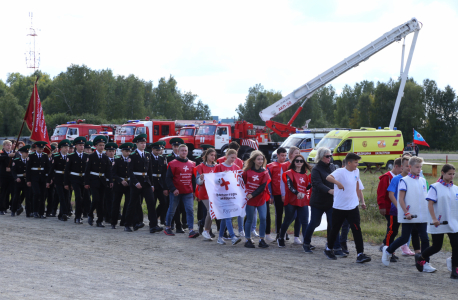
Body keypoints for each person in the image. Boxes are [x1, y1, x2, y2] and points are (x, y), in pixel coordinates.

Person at [382, 157, 433, 270]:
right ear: (410, 167)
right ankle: (388, 251)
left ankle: (425, 263)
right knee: (404, 238)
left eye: (420, 167)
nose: (419, 169)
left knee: (425, 239)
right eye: (416, 167)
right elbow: (400, 199)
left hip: (422, 216)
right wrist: (406, 212)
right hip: (409, 215)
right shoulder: (403, 181)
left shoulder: (423, 180)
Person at [325, 152, 371, 263]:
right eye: (355, 162)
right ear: (349, 163)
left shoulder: (356, 171)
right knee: (335, 229)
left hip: (352, 207)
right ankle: (328, 249)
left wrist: (359, 199)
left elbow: (357, 185)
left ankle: (360, 254)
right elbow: (328, 177)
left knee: (356, 229)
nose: (357, 165)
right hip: (340, 207)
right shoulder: (340, 172)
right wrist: (338, 183)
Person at [415, 164, 458, 278]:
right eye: (449, 174)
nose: (452, 176)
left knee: (456, 245)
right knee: (437, 247)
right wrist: (434, 218)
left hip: (453, 221)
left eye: (453, 174)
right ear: (443, 173)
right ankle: (421, 257)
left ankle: (455, 271)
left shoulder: (456, 189)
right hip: (439, 221)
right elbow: (430, 204)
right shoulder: (435, 187)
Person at [303, 147, 344, 256]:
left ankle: (336, 247)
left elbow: (336, 179)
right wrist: (329, 190)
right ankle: (306, 243)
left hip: (331, 202)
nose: (329, 158)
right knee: (314, 223)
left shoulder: (332, 167)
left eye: (330, 156)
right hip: (318, 202)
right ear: (321, 157)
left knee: (333, 224)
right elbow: (317, 183)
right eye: (327, 156)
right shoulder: (315, 169)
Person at [124, 134, 163, 234]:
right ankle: (127, 224)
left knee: (151, 203)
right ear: (137, 144)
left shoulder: (147, 155)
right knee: (132, 203)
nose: (143, 145)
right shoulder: (132, 156)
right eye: (141, 143)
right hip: (136, 182)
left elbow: (149, 171)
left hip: (146, 181)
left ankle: (153, 225)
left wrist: (152, 184)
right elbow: (130, 171)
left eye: (144, 143)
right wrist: (135, 182)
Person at [163, 144, 199, 238]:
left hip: (188, 192)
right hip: (176, 192)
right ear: (178, 151)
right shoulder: (172, 163)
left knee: (190, 210)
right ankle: (168, 227)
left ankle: (191, 230)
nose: (184, 152)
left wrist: (195, 191)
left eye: (185, 150)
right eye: (182, 150)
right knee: (172, 210)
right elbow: (168, 178)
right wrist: (173, 189)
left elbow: (193, 178)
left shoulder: (192, 164)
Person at [277, 154, 312, 247]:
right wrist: (297, 193)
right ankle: (281, 237)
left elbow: (306, 187)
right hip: (291, 200)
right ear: (294, 162)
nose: (299, 162)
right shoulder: (289, 173)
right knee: (288, 220)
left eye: (301, 161)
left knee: (305, 221)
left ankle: (306, 242)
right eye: (297, 161)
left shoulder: (305, 175)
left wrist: (313, 184)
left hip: (302, 200)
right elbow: (289, 186)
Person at [213, 149, 243, 245]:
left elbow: (238, 181)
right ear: (227, 156)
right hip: (222, 195)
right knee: (228, 215)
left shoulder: (236, 167)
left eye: (235, 158)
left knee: (226, 216)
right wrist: (222, 177)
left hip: (232, 195)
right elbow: (214, 180)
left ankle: (220, 237)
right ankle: (233, 236)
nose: (233, 160)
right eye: (231, 157)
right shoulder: (219, 166)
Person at [243, 150, 271, 249]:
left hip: (260, 199)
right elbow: (241, 182)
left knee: (263, 218)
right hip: (250, 199)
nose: (260, 161)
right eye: (258, 159)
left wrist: (253, 194)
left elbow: (262, 187)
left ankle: (262, 239)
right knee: (249, 219)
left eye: (262, 159)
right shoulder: (247, 171)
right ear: (254, 160)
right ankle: (247, 239)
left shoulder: (265, 172)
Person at [377, 157, 402, 259]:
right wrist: (382, 206)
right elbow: (381, 193)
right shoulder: (386, 177)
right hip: (388, 208)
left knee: (394, 230)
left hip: (397, 208)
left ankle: (387, 247)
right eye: (402, 168)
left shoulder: (401, 178)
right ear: (396, 167)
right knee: (391, 229)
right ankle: (388, 250)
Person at [84, 136, 112, 227]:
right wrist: (87, 182)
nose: (102, 147)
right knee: (96, 199)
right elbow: (87, 170)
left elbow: (108, 170)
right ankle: (90, 213)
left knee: (101, 201)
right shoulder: (91, 156)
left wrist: (110, 180)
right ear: (96, 146)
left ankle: (99, 220)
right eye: (100, 145)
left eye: (103, 145)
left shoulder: (105, 157)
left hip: (102, 181)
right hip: (93, 180)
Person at [195, 145, 218, 241]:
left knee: (213, 212)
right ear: (206, 155)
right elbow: (197, 182)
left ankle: (206, 230)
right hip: (204, 193)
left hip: (214, 193)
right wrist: (201, 179)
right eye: (211, 155)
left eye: (214, 155)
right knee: (210, 211)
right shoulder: (201, 167)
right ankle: (206, 230)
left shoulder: (217, 166)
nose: (213, 157)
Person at [64, 137, 88, 224]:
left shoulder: (87, 156)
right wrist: (66, 183)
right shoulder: (71, 156)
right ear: (76, 146)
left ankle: (80, 214)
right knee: (78, 197)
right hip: (74, 179)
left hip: (84, 179)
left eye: (83, 145)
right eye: (80, 145)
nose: (82, 147)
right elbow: (67, 171)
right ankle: (77, 217)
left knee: (83, 198)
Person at [267, 147, 288, 243]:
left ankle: (284, 231)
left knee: (288, 214)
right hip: (277, 193)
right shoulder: (271, 166)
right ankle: (278, 232)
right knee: (279, 213)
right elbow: (269, 181)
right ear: (278, 155)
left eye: (285, 155)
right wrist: (270, 195)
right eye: (282, 155)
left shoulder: (287, 165)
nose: (284, 157)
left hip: (287, 194)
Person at [166, 137, 187, 232]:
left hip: (183, 186)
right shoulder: (168, 158)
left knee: (183, 207)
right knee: (173, 207)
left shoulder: (186, 157)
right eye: (174, 146)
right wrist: (166, 187)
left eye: (178, 146)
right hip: (173, 187)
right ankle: (173, 225)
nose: (176, 148)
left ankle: (182, 224)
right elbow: (166, 175)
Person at [111, 142, 134, 229]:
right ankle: (113, 222)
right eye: (126, 151)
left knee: (128, 204)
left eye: (129, 151)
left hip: (129, 184)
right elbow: (113, 173)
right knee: (116, 203)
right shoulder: (117, 160)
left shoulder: (131, 160)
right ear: (122, 151)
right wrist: (120, 180)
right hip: (119, 185)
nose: (128, 153)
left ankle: (124, 221)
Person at [47, 139, 71, 221]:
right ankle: (64, 213)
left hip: (67, 179)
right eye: (65, 147)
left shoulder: (70, 157)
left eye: (67, 147)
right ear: (61, 148)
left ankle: (61, 214)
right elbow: (51, 170)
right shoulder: (56, 156)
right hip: (58, 178)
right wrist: (48, 180)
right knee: (61, 196)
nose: (66, 149)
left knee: (67, 196)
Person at [26, 141, 50, 219]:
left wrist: (48, 179)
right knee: (36, 193)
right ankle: (35, 211)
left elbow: (47, 168)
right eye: (39, 148)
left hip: (42, 177)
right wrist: (28, 180)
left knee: (43, 195)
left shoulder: (45, 156)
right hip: (34, 177)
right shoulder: (32, 155)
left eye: (42, 148)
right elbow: (28, 169)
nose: (41, 150)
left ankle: (41, 212)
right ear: (36, 148)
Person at [150, 141, 168, 227]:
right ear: (152, 149)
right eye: (156, 150)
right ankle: (152, 222)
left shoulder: (162, 158)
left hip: (160, 182)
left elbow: (164, 172)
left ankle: (156, 216)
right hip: (152, 182)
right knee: (152, 203)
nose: (158, 152)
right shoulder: (149, 157)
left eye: (159, 150)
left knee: (164, 202)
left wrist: (165, 185)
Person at [11, 145, 31, 217]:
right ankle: (13, 210)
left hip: (26, 181)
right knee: (16, 196)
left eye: (27, 152)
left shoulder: (29, 160)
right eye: (25, 152)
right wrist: (16, 178)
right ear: (22, 153)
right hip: (18, 181)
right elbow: (13, 171)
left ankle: (28, 212)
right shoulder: (16, 160)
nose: (27, 154)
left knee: (28, 197)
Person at [0, 140, 16, 214]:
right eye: (7, 145)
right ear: (4, 146)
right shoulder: (1, 153)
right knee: (3, 192)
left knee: (13, 192)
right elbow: (1, 158)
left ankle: (13, 207)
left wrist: (11, 169)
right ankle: (2, 208)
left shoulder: (14, 154)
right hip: (3, 175)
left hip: (12, 175)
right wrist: (8, 156)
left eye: (10, 145)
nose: (9, 147)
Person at [104, 142, 118, 224]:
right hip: (106, 182)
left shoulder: (117, 159)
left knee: (115, 199)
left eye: (113, 151)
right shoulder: (104, 159)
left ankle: (115, 214)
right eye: (109, 151)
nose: (111, 152)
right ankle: (107, 216)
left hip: (116, 182)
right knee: (107, 199)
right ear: (106, 152)